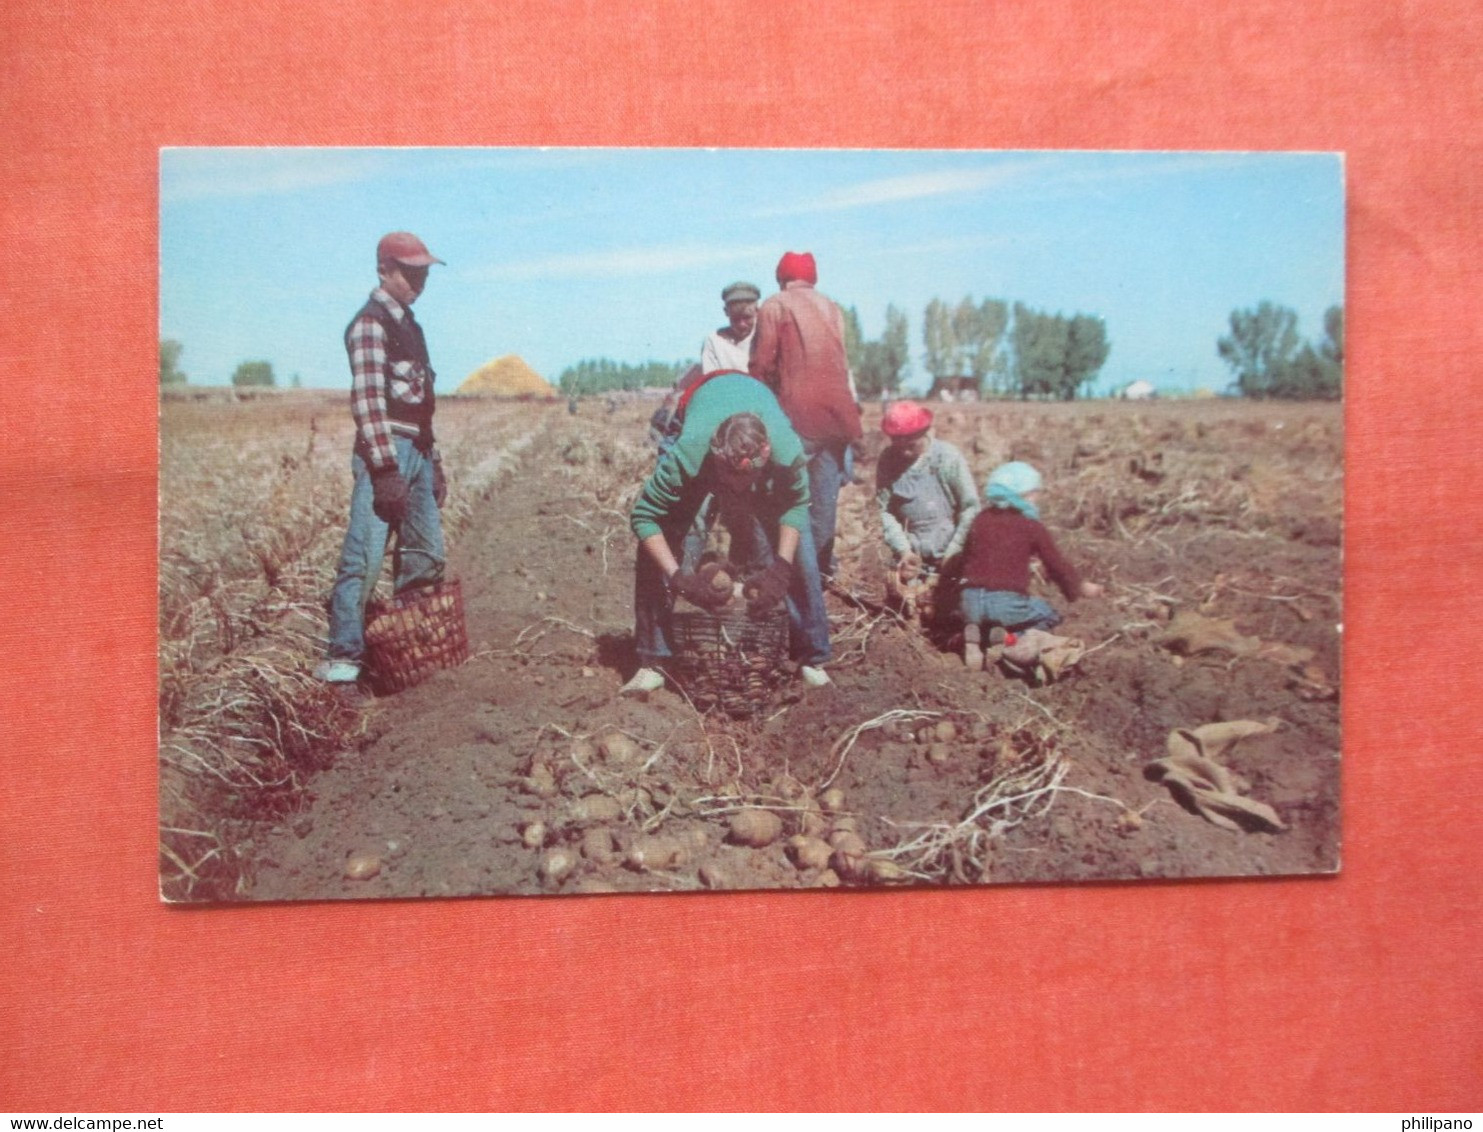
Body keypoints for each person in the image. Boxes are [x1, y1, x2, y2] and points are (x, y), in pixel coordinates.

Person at [623, 371, 832, 694]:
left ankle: (812, 656)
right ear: (716, 458)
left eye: (743, 481)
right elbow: (644, 517)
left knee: (800, 547)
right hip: (698, 411)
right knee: (667, 536)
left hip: (755, 404)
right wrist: (679, 577)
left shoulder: (786, 452)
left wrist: (781, 569)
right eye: (726, 476)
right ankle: (654, 660)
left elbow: (796, 505)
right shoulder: (689, 453)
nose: (733, 489)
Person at [315, 231, 449, 685]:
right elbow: (369, 403)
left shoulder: (411, 326)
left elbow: (422, 402)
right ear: (383, 271)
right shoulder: (371, 324)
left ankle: (406, 646)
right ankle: (343, 664)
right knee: (364, 559)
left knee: (426, 555)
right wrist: (386, 470)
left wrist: (434, 463)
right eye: (409, 272)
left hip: (418, 452)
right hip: (385, 452)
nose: (419, 281)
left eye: (423, 272)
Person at [749, 251, 861, 580]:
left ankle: (775, 573)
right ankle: (819, 575)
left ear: (781, 278)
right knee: (824, 503)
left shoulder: (775, 305)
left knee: (772, 495)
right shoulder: (832, 308)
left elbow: (761, 366)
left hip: (799, 417)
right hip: (841, 421)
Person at [956, 461, 1103, 670]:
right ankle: (1010, 640)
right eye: (1035, 494)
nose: (1037, 500)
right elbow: (1056, 564)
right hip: (1005, 603)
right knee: (1049, 614)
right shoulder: (1030, 526)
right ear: (1022, 495)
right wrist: (1078, 588)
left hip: (969, 601)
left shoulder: (980, 519)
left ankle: (975, 634)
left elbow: (966, 557)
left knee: (987, 613)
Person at [874, 400, 979, 622]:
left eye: (910, 444)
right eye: (897, 443)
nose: (903, 451)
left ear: (925, 433)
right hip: (914, 556)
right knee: (908, 607)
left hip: (950, 552)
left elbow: (971, 507)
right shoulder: (887, 460)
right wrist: (903, 550)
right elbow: (885, 512)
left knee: (959, 611)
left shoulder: (947, 457)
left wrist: (955, 549)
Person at [700, 281, 760, 373]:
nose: (742, 324)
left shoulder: (764, 337)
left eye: (747, 318)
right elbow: (711, 379)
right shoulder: (714, 341)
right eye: (736, 319)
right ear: (726, 312)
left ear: (757, 311)